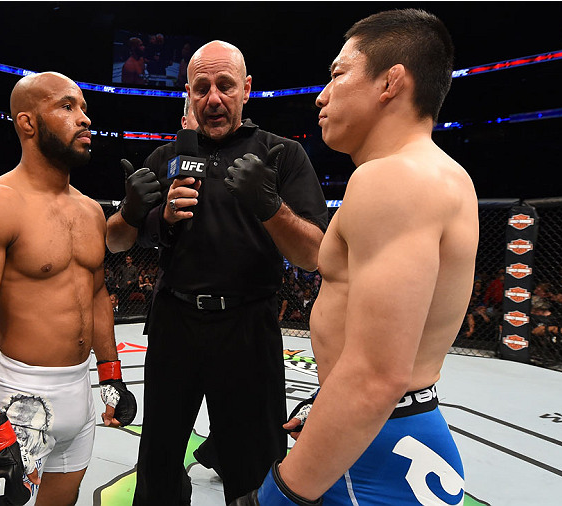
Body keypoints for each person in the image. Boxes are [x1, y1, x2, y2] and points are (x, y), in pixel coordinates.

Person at [232, 9, 478, 506]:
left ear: (390, 83)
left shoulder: (390, 179)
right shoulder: (447, 176)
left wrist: (282, 495)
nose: (322, 96)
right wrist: (330, 404)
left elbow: (376, 374)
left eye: (338, 74)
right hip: (399, 428)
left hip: (371, 450)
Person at [108, 40, 328, 504]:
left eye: (225, 86)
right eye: (201, 87)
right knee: (159, 459)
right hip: (175, 322)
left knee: (255, 466)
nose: (213, 98)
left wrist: (270, 206)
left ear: (246, 89)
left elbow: (314, 255)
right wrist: (143, 214)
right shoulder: (165, 158)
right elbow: (117, 241)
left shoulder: (281, 155)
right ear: (187, 93)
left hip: (248, 326)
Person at [0, 71, 135, 506]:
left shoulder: (89, 210)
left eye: (84, 107)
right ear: (28, 123)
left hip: (80, 394)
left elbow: (97, 294)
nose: (84, 118)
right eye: (67, 107)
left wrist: (111, 376)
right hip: (18, 400)